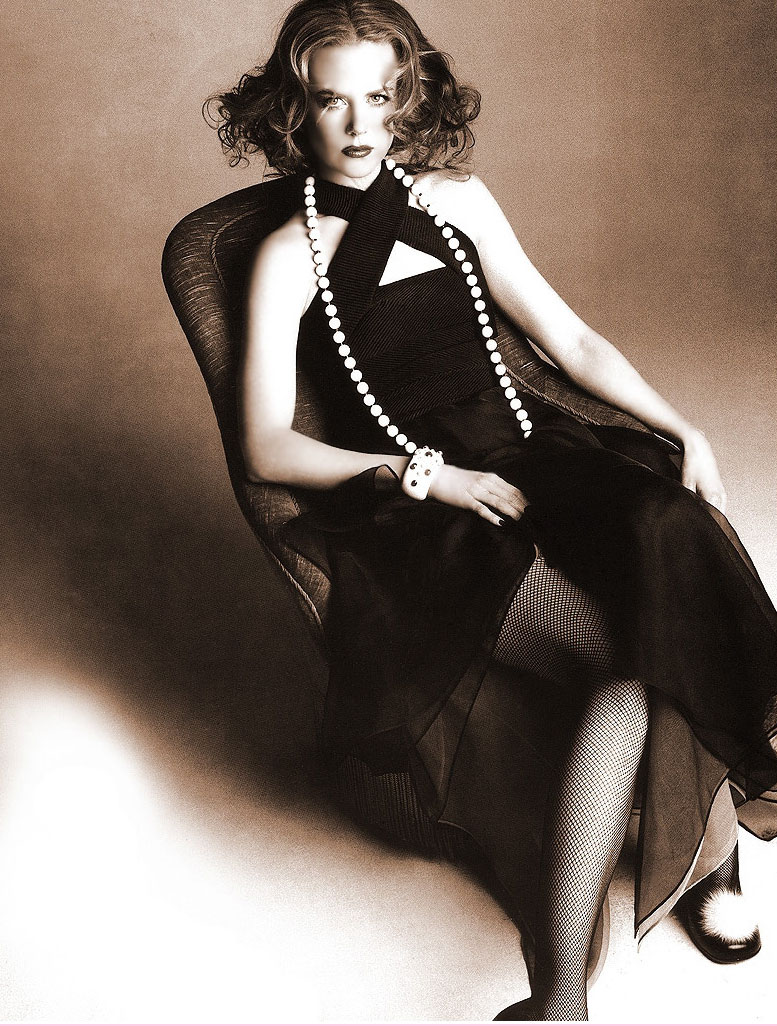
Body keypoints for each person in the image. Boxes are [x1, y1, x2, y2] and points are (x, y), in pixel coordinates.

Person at [206, 0, 777, 1019]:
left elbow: (571, 341)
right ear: (294, 108)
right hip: (427, 507)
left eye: (380, 96)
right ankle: (617, 945)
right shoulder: (288, 254)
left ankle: (726, 816)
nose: (359, 125)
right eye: (331, 101)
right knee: (633, 671)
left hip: (534, 454)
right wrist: (422, 478)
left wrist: (684, 427)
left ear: (407, 96)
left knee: (670, 525)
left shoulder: (458, 201)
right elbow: (264, 443)